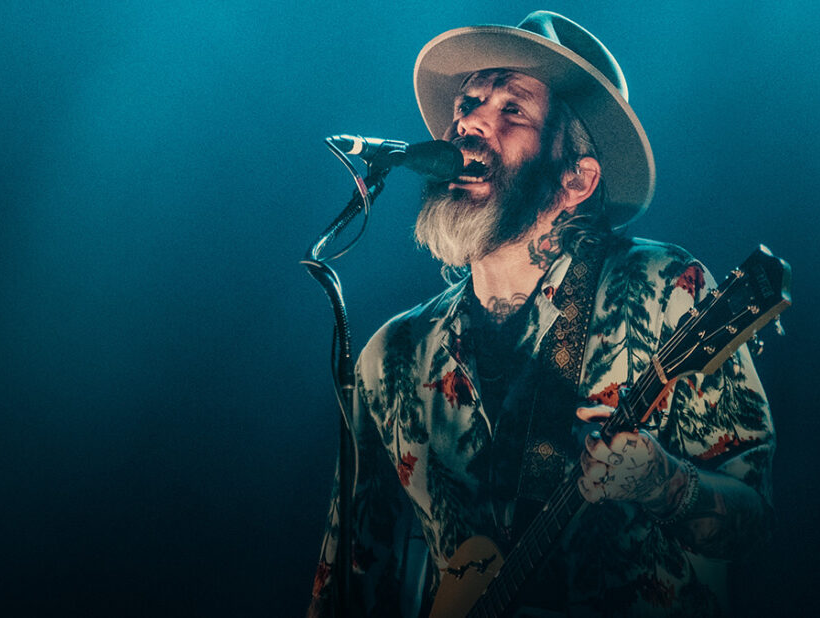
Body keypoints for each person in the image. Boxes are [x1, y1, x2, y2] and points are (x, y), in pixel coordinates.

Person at [308, 11, 775, 617]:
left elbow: (753, 520)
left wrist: (668, 484)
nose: (469, 120)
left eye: (512, 110)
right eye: (468, 103)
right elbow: (346, 578)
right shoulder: (392, 355)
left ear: (576, 179)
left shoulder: (665, 289)